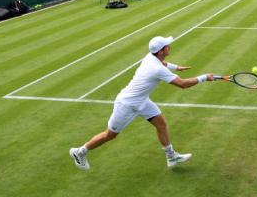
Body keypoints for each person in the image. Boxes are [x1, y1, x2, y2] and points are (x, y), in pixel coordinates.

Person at [69, 36, 224, 170]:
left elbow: (164, 64)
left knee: (161, 123)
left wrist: (177, 67)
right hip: (127, 104)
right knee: (110, 135)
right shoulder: (157, 69)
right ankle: (80, 152)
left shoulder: (151, 57)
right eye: (167, 46)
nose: (170, 46)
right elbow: (182, 84)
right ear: (162, 51)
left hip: (142, 101)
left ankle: (171, 157)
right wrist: (204, 77)